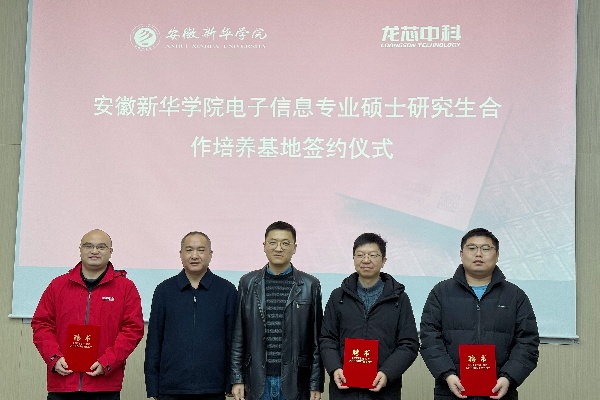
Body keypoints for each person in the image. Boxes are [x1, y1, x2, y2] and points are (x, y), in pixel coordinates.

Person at [419, 228, 539, 400]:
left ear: (497, 255)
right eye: (472, 248)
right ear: (461, 254)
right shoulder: (441, 292)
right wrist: (447, 374)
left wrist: (509, 376)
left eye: (486, 248)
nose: (478, 254)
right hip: (451, 391)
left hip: (500, 391)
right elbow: (430, 338)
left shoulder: (515, 296)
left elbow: (528, 342)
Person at [32, 229, 144, 400]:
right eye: (88, 246)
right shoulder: (58, 285)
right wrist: (53, 357)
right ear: (80, 249)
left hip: (104, 385)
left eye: (101, 247)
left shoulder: (126, 288)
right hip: (63, 383)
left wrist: (108, 362)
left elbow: (133, 329)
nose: (94, 251)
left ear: (110, 251)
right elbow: (41, 324)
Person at [230, 221, 324, 400]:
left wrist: (315, 383)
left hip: (296, 380)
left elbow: (316, 339)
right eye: (273, 242)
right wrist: (237, 378)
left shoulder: (310, 285)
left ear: (294, 248)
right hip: (257, 380)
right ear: (264, 246)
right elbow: (238, 334)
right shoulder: (248, 283)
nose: (278, 248)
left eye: (285, 243)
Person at [320, 233, 419, 400]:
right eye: (360, 255)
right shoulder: (338, 296)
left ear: (384, 260)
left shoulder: (399, 298)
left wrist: (387, 373)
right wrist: (334, 368)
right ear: (353, 258)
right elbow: (327, 338)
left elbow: (409, 343)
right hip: (344, 389)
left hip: (384, 390)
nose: (366, 260)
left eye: (373, 255)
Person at [144, 231, 238, 400]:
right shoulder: (164, 291)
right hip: (171, 388)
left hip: (212, 387)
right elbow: (154, 341)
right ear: (181, 254)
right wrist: (152, 386)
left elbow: (233, 340)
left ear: (210, 254)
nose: (194, 255)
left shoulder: (227, 291)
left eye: (201, 250)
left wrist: (231, 382)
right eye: (189, 250)